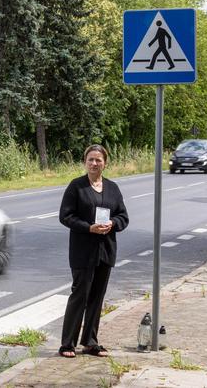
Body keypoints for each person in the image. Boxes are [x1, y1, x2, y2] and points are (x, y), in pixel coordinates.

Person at [58, 144, 129, 358]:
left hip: (105, 250)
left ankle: (90, 342)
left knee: (97, 297)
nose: (94, 163)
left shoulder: (113, 188)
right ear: (85, 162)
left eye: (98, 160)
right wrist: (88, 227)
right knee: (80, 295)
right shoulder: (76, 187)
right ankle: (67, 344)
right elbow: (65, 216)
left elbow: (124, 217)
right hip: (83, 250)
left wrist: (112, 224)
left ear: (105, 163)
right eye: (90, 159)